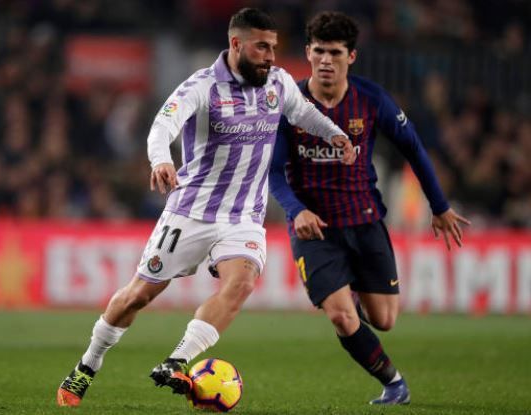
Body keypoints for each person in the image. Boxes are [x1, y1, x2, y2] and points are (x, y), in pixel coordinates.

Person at [57, 7, 355, 407]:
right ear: (237, 44)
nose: (270, 55)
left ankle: (176, 361)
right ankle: (86, 367)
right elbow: (163, 126)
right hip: (191, 212)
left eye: (274, 47)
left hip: (243, 218)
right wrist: (161, 159)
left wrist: (335, 135)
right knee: (136, 297)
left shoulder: (279, 83)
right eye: (262, 47)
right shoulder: (202, 86)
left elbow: (304, 113)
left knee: (242, 282)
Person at [269, 11, 471, 405]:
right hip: (315, 229)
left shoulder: (371, 99)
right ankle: (394, 383)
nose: (326, 60)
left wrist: (440, 206)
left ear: (351, 57)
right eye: (319, 51)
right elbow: (274, 173)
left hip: (364, 221)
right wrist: (296, 211)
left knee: (384, 320)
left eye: (335, 52)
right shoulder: (287, 105)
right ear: (308, 52)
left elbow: (413, 147)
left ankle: (351, 294)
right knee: (343, 318)